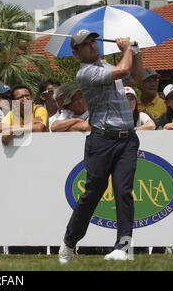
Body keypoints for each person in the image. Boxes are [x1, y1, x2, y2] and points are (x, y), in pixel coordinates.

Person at [58, 29, 143, 264]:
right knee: (92, 194)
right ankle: (69, 242)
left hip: (127, 140)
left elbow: (135, 76)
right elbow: (124, 70)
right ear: (76, 53)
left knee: (123, 192)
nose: (92, 45)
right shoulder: (85, 73)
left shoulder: (106, 66)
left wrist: (135, 51)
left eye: (93, 41)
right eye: (85, 44)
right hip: (102, 140)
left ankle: (122, 247)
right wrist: (125, 50)